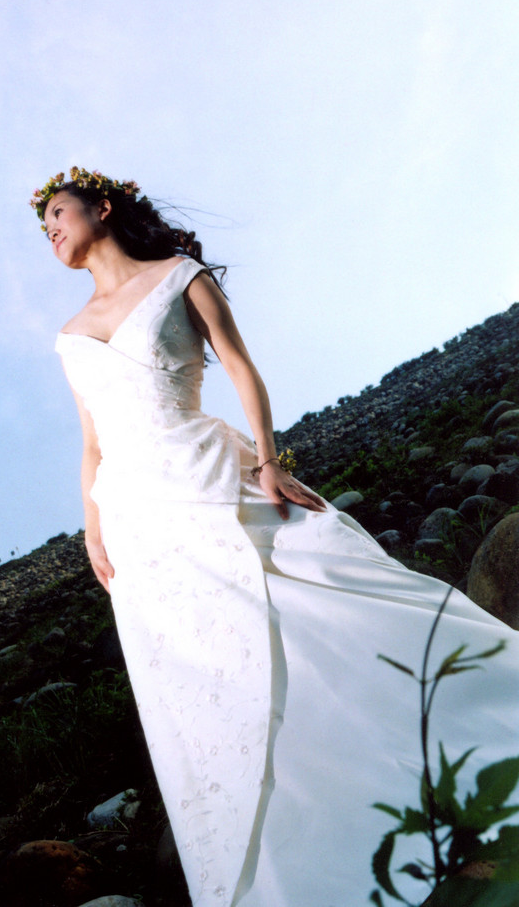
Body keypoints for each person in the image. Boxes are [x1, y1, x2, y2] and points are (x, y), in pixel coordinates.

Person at [32, 168, 518, 907]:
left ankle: (471, 713)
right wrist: (94, 530)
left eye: (58, 214)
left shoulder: (178, 276)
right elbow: (92, 443)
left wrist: (269, 461)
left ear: (102, 207)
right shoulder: (70, 338)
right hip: (136, 522)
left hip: (205, 470)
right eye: (43, 229)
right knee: (202, 676)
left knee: (321, 575)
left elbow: (239, 367)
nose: (51, 232)